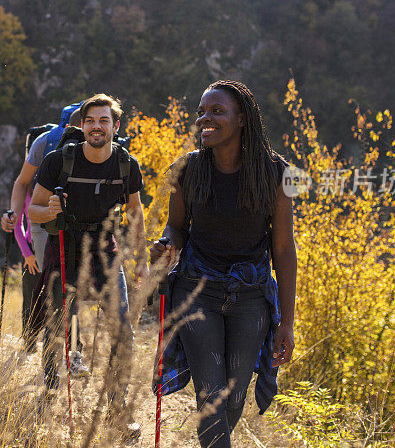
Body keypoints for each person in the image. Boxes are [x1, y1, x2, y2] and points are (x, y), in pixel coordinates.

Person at [150, 80, 297, 448]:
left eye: (217, 112)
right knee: (211, 398)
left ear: (243, 118)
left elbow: (283, 249)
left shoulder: (277, 174)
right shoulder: (187, 169)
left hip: (251, 296)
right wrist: (168, 244)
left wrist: (287, 323)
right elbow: (177, 226)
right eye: (202, 112)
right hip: (196, 290)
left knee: (234, 398)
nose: (205, 119)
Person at [28, 93, 147, 438]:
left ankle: (116, 409)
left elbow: (135, 213)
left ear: (115, 126)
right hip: (63, 243)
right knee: (57, 324)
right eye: (91, 121)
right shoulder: (57, 161)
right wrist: (49, 210)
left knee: (123, 329)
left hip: (105, 249)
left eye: (104, 121)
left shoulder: (126, 165)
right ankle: (50, 395)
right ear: (82, 125)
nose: (97, 127)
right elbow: (32, 210)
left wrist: (141, 260)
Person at [1, 106, 88, 371]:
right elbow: (22, 184)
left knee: (67, 286)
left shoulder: (100, 145)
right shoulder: (44, 144)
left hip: (78, 224)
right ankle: (59, 348)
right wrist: (14, 215)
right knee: (54, 284)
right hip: (40, 223)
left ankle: (70, 349)